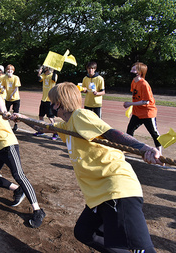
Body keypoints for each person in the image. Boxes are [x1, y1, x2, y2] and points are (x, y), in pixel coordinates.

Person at [15, 82, 162, 252]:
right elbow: (42, 127)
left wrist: (143, 148)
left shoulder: (80, 116)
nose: (52, 106)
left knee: (142, 250)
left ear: (62, 102)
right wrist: (19, 117)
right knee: (85, 232)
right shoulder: (67, 126)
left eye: (54, 102)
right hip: (98, 195)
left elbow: (110, 132)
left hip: (116, 189)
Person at [0, 76, 46, 228]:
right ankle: (18, 190)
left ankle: (38, 210)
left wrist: (5, 112)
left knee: (18, 174)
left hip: (7, 144)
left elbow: (2, 107)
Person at [123, 62, 162, 153]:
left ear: (140, 72)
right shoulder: (134, 81)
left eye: (134, 70)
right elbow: (137, 96)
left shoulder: (144, 84)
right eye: (131, 69)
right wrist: (132, 106)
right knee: (130, 130)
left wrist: (130, 103)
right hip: (137, 113)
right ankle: (129, 148)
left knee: (154, 133)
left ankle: (159, 152)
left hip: (148, 113)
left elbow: (146, 101)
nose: (131, 71)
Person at [33, 65, 58, 140]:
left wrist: (55, 70)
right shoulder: (43, 75)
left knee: (50, 117)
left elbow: (54, 79)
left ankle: (55, 132)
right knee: (41, 116)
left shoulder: (53, 75)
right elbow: (39, 79)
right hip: (43, 99)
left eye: (46, 68)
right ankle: (41, 130)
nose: (45, 69)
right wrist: (39, 73)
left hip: (50, 100)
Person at [0, 64, 21, 131]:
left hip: (16, 98)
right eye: (8, 70)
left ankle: (16, 125)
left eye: (11, 70)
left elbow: (16, 88)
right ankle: (7, 124)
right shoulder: (4, 78)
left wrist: (12, 94)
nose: (9, 71)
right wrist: (2, 90)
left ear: (13, 71)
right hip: (8, 98)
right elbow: (3, 86)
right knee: (6, 111)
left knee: (16, 112)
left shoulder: (16, 78)